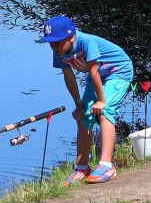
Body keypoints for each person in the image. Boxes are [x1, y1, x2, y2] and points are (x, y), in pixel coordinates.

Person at [39, 15, 133, 184]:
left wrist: (101, 100)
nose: (53, 47)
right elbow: (68, 76)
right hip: (97, 76)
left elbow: (94, 71)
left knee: (104, 111)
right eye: (50, 43)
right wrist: (78, 104)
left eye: (57, 42)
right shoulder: (59, 52)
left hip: (118, 72)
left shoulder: (86, 42)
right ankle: (82, 167)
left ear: (71, 37)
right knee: (83, 116)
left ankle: (107, 166)